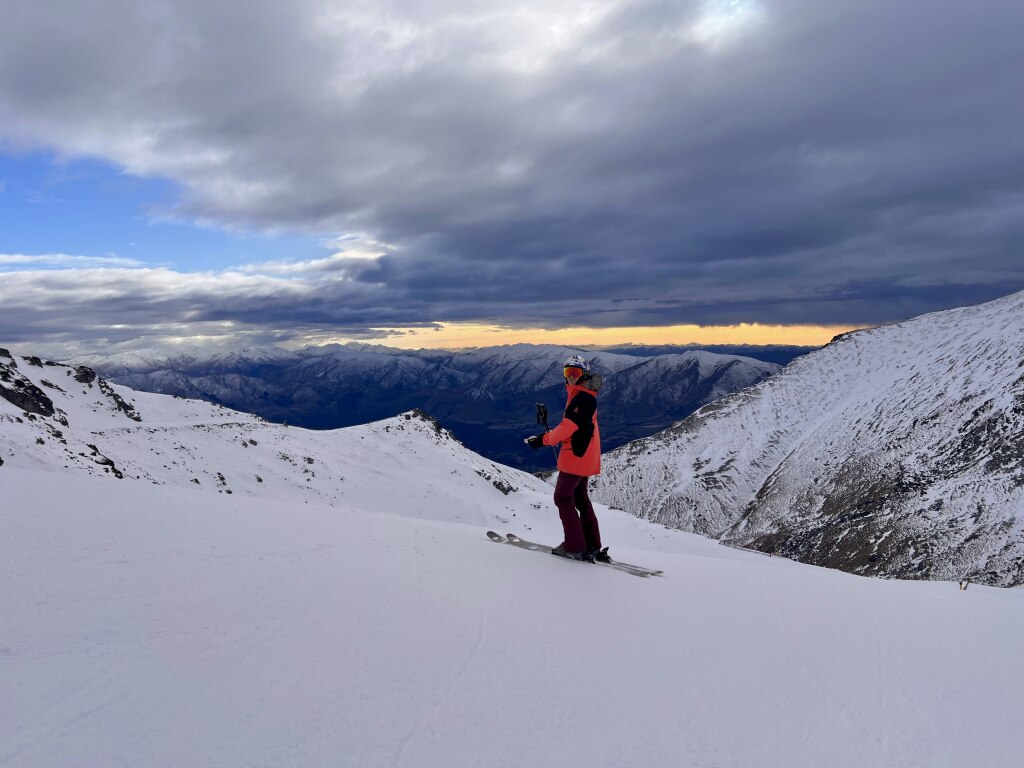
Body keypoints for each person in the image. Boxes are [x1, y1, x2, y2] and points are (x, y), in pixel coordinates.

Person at [526, 354, 610, 562]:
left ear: (584, 375)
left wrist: (543, 439)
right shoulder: (583, 394)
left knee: (562, 497)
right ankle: (592, 545)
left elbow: (568, 427)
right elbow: (575, 426)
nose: (571, 377)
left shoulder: (582, 398)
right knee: (580, 499)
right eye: (567, 373)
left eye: (575, 373)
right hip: (585, 455)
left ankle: (574, 546)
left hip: (576, 457)